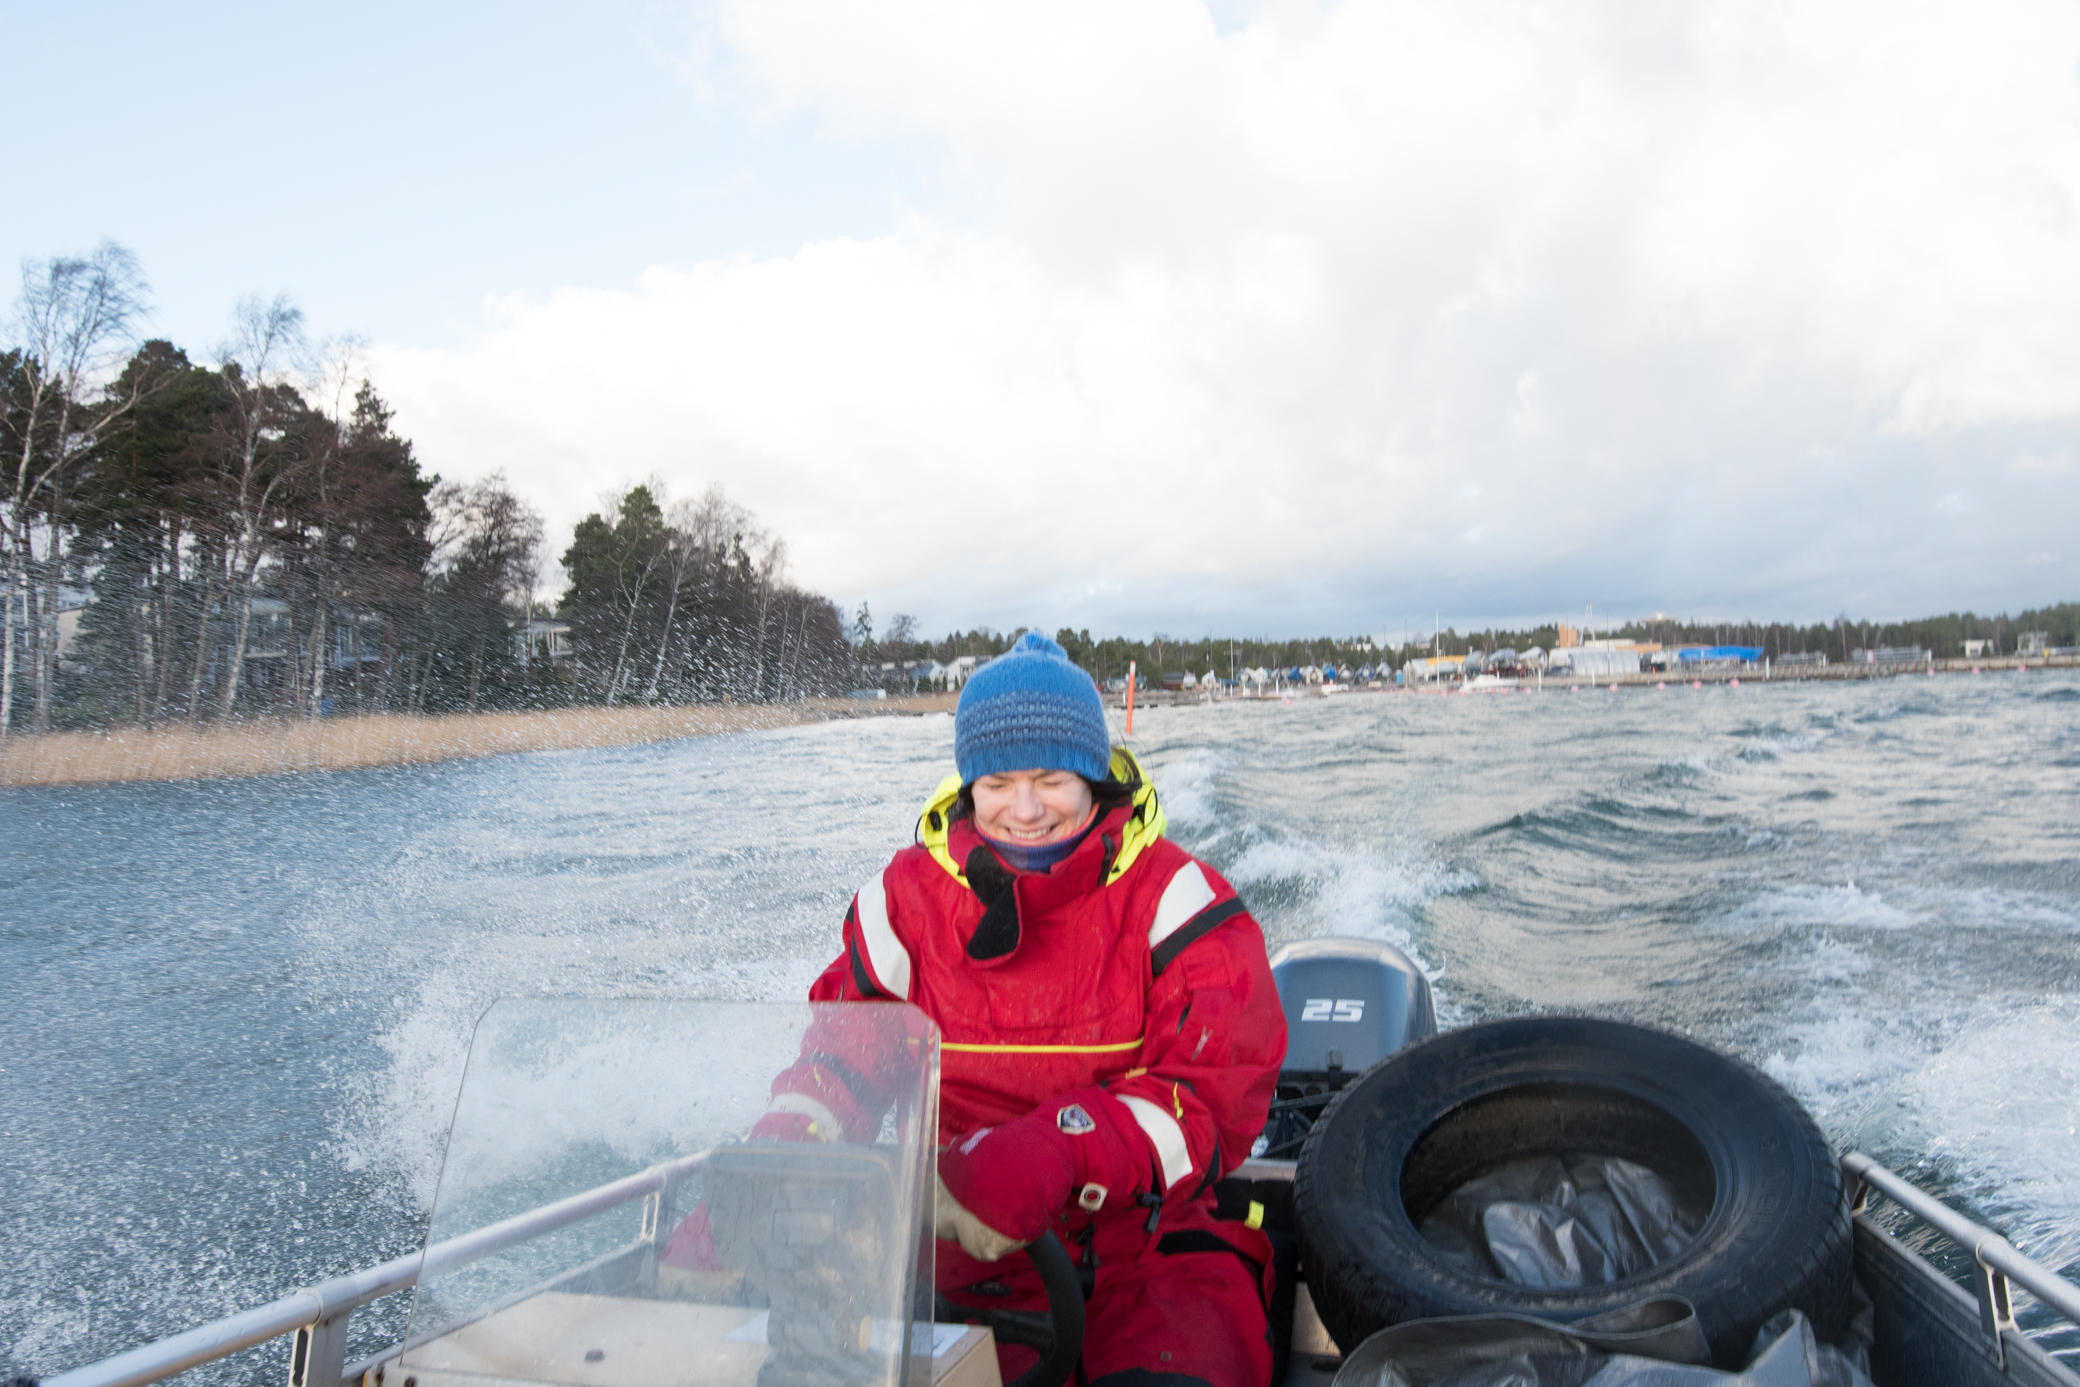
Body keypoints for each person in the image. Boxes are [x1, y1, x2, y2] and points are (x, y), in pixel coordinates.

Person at [688, 631, 1288, 1387]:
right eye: (998, 780)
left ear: (1094, 776)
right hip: (947, 1256)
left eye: (1052, 778)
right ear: (968, 782)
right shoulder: (903, 902)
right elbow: (842, 1055)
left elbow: (1209, 1096)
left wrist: (1056, 1149)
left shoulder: (1176, 900)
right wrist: (785, 1149)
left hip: (1145, 1257)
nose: (1025, 809)